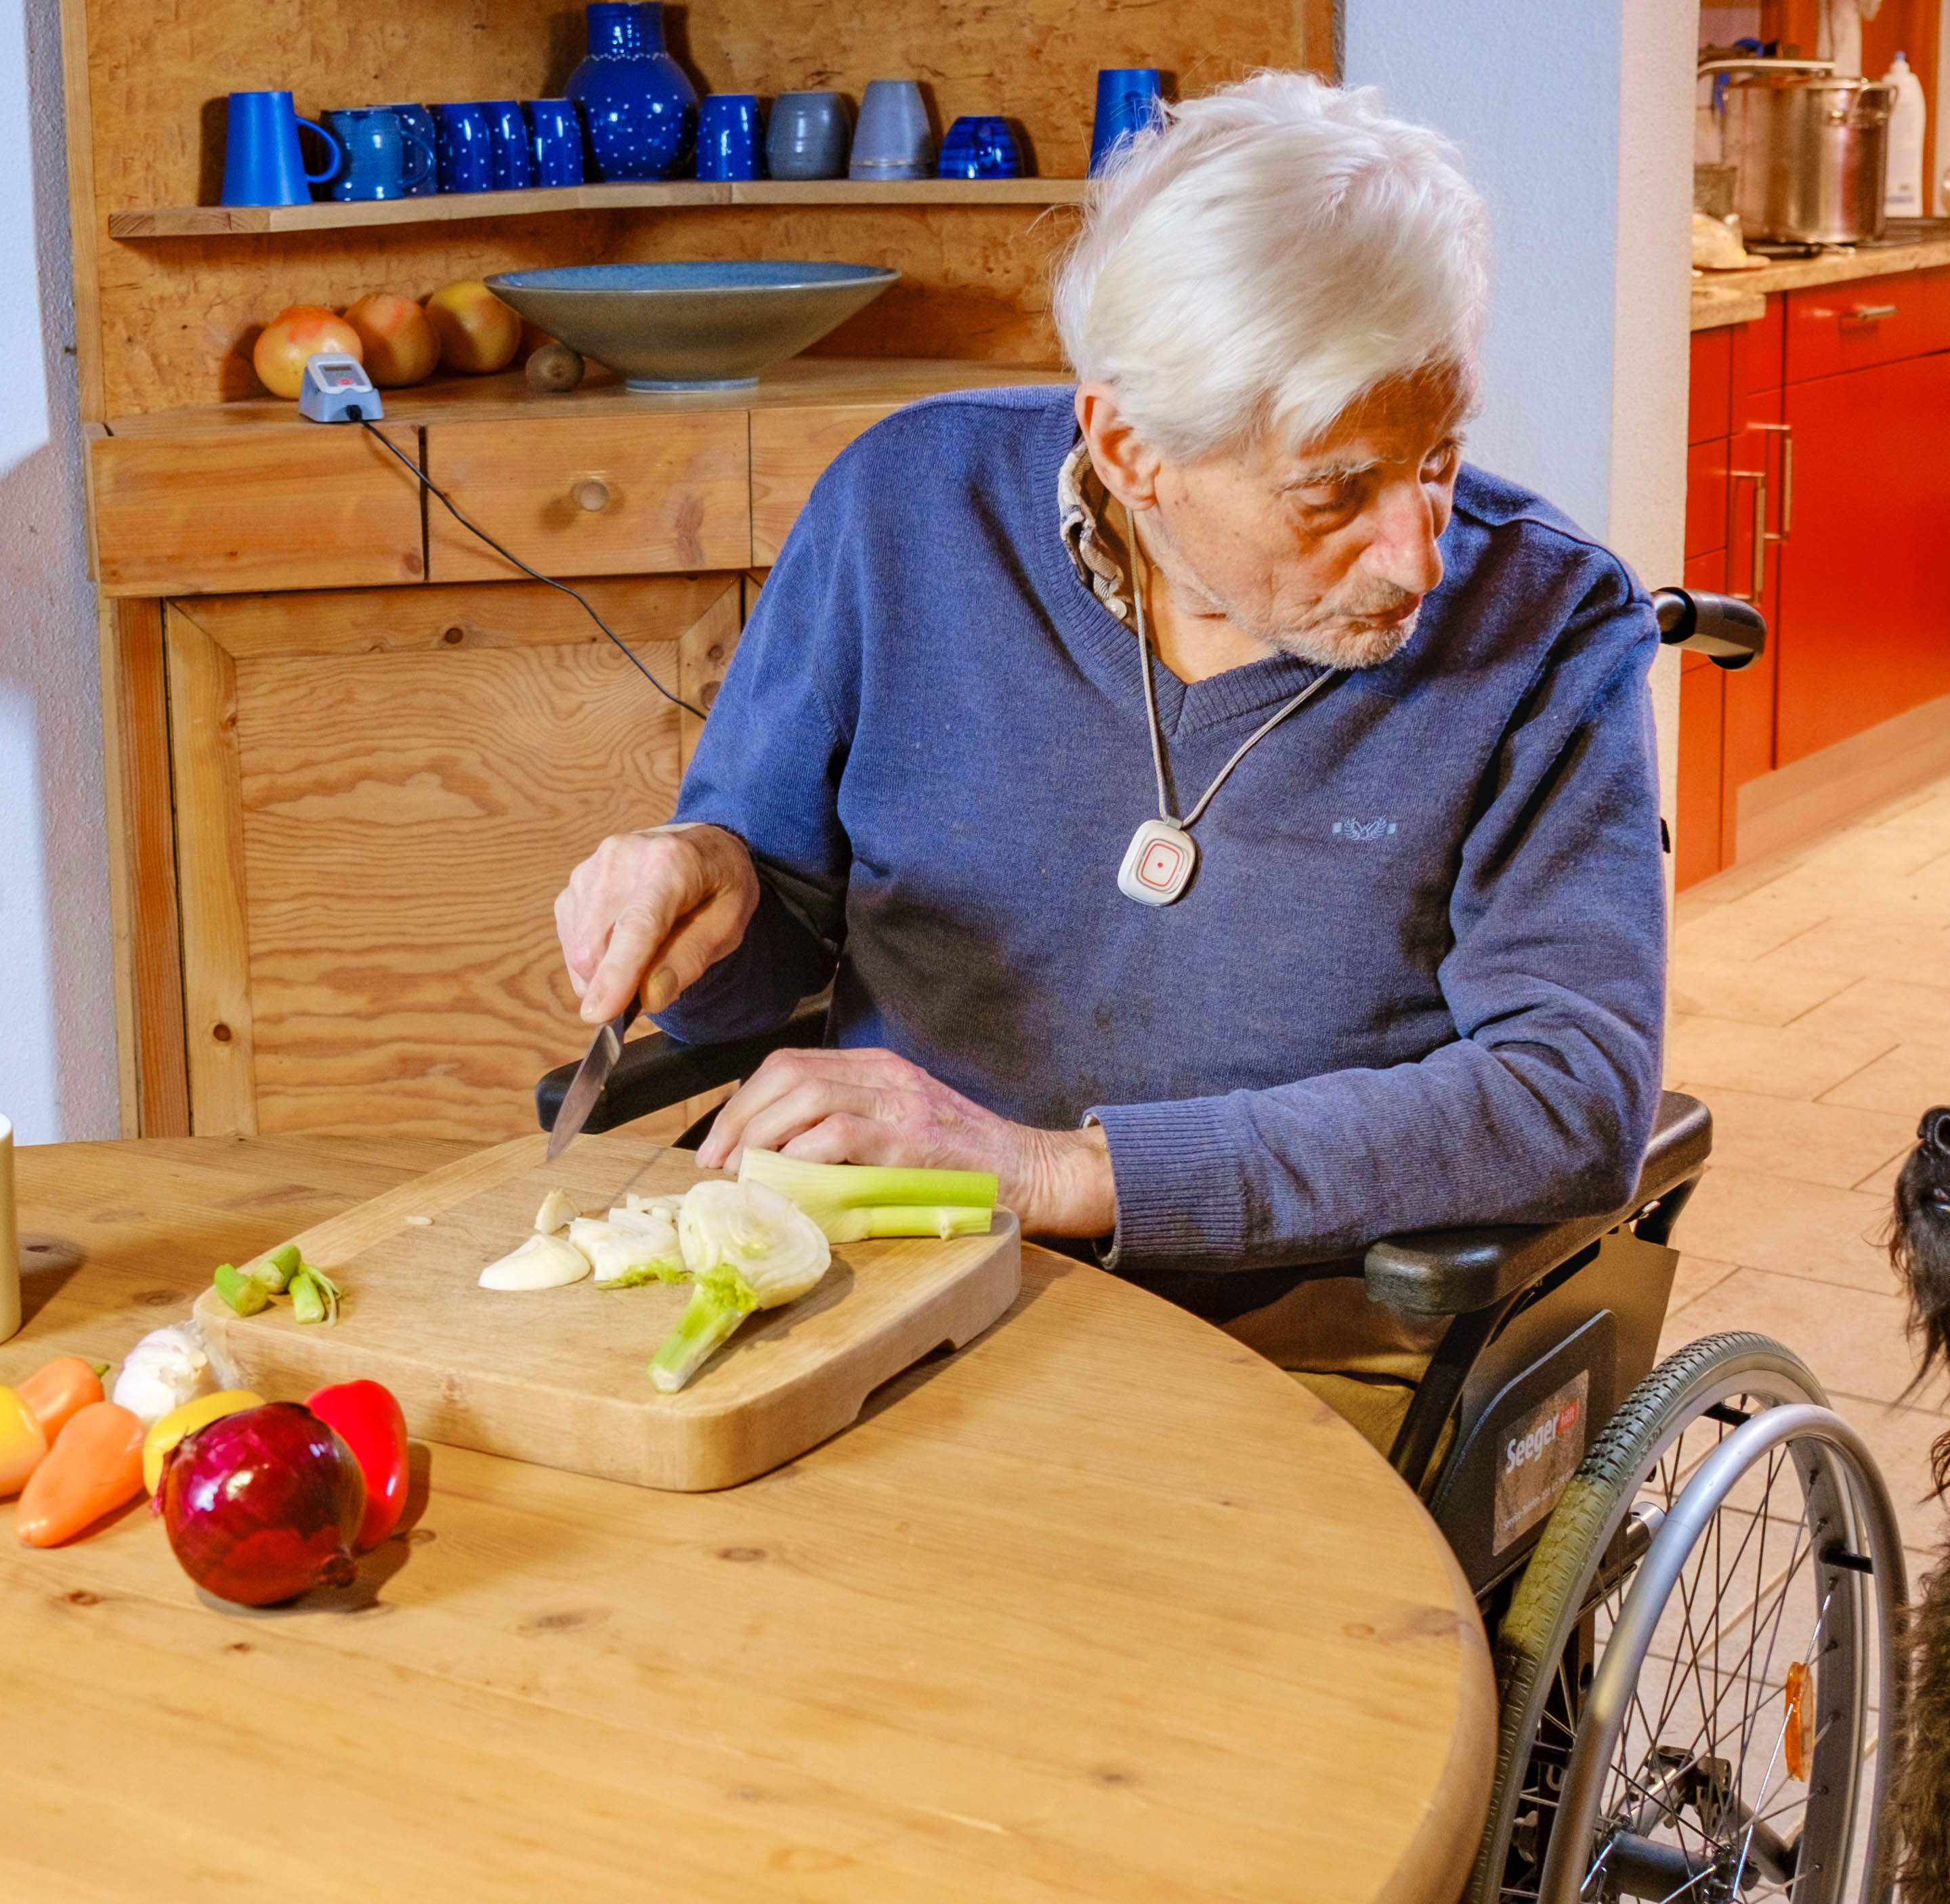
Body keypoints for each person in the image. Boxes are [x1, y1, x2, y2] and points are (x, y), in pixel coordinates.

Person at [553, 72, 1668, 1440]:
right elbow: (767, 949)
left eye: (1437, 457)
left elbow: (1573, 1094)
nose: (1417, 553)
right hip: (884, 1282)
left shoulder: (1549, 625)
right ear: (1131, 450)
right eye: (1335, 489)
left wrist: (1063, 1172)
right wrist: (707, 896)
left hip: (1305, 1345)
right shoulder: (906, 507)